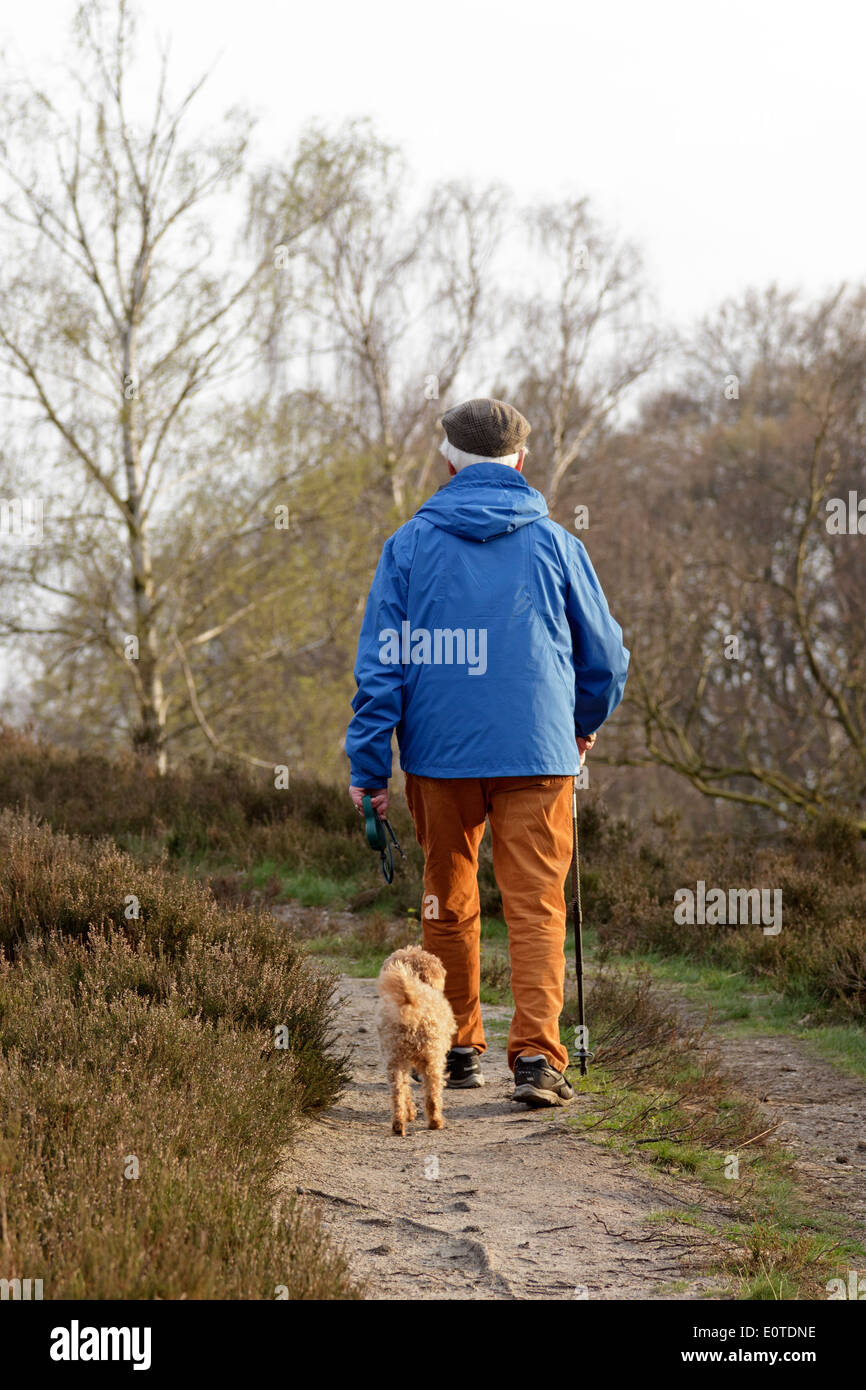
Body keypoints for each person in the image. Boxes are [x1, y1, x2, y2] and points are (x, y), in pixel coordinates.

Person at [346, 397, 629, 1106]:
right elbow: (608, 660)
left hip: (441, 757)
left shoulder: (408, 546)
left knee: (448, 901)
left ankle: (459, 1045)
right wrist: (580, 725)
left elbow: (380, 667)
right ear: (521, 462)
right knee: (536, 904)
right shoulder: (559, 545)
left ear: (448, 461)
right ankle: (537, 1061)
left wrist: (369, 769)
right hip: (539, 751)